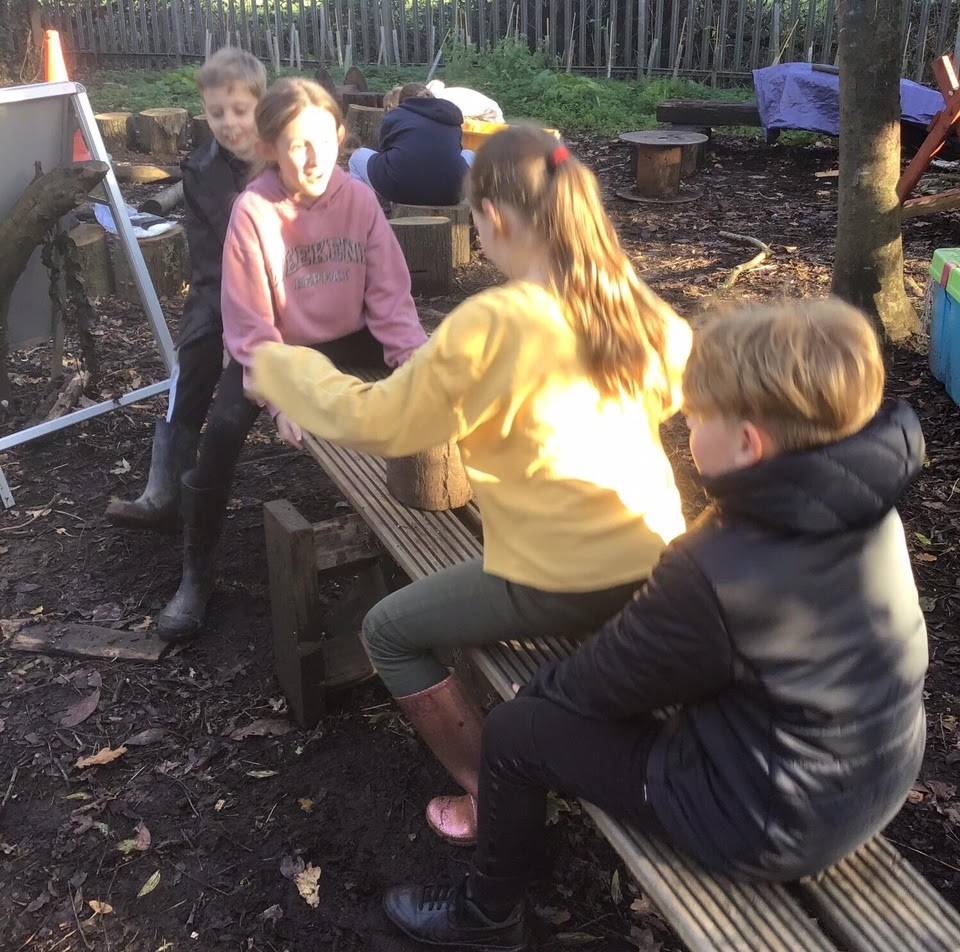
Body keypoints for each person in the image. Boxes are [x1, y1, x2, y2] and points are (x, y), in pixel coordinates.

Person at [377, 299, 930, 950]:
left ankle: (485, 916)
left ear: (747, 443)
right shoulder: (867, 510)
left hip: (766, 821)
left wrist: (541, 688)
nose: (687, 430)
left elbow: (591, 689)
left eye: (697, 419)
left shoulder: (716, 564)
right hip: (879, 775)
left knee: (516, 730)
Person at [249, 127, 692, 846]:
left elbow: (384, 422)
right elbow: (671, 391)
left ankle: (494, 791)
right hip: (663, 559)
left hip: (566, 576)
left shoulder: (495, 320)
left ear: (493, 217)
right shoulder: (626, 296)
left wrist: (282, 368)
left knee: (388, 632)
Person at [155, 77, 427, 640]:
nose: (314, 158)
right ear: (269, 150)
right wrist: (282, 398)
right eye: (297, 145)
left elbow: (391, 301)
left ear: (343, 138)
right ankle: (196, 571)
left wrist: (416, 365)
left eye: (325, 141)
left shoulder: (359, 199)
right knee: (223, 431)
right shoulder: (253, 212)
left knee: (435, 366)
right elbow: (250, 328)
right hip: (278, 347)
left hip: (349, 335)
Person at [106, 48, 267, 531]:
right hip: (221, 290)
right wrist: (221, 323)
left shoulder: (282, 157)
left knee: (238, 387)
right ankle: (165, 488)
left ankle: (209, 469)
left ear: (261, 106)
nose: (229, 123)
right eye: (217, 112)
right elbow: (212, 258)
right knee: (194, 351)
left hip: (282, 295)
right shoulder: (202, 170)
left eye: (240, 110)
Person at [347, 83, 475, 205]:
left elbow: (384, 149)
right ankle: (469, 212)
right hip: (450, 193)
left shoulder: (395, 115)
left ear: (402, 101)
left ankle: (363, 214)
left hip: (400, 189)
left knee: (356, 156)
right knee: (470, 155)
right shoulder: (451, 116)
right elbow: (456, 150)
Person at [426, 79, 504, 123]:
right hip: (485, 109)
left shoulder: (444, 99)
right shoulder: (445, 94)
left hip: (490, 111)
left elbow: (456, 117)